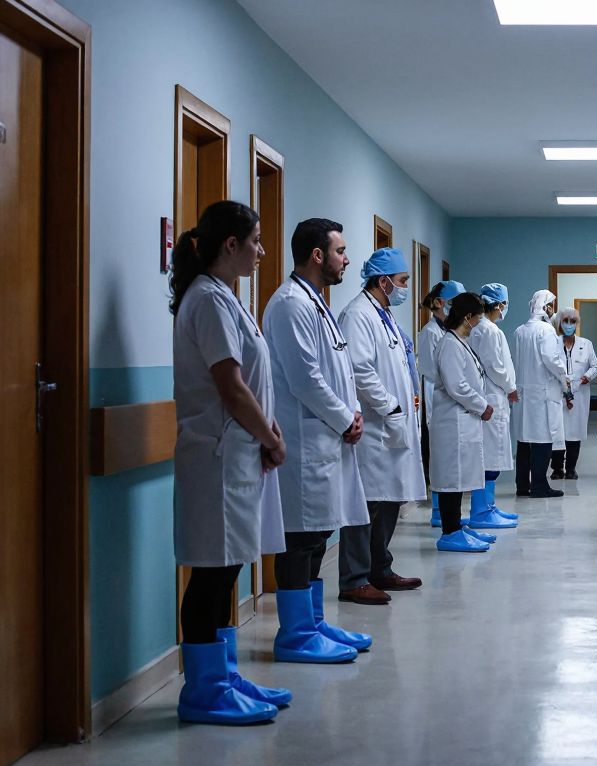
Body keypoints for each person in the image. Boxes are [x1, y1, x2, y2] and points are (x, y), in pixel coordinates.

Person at [169, 200, 287, 725]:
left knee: (228, 568)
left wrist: (265, 432)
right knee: (212, 577)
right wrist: (271, 436)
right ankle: (203, 690)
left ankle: (224, 676)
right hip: (219, 457)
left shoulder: (223, 296)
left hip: (234, 454)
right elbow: (231, 387)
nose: (263, 252)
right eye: (257, 242)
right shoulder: (209, 301)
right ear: (230, 245)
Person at [263, 217, 371, 664]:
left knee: (317, 536)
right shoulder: (290, 305)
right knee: (299, 540)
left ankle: (313, 622)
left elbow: (331, 370)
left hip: (325, 439)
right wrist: (346, 418)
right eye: (342, 251)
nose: (347, 259)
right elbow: (305, 378)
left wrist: (349, 415)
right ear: (317, 255)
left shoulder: (315, 303)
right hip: (307, 442)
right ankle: (294, 635)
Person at [335, 247, 426, 607]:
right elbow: (359, 370)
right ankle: (354, 579)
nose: (404, 288)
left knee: (389, 499)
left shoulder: (383, 315)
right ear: (384, 281)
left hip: (393, 425)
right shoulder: (358, 315)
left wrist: (405, 400)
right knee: (367, 504)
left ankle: (380, 568)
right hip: (375, 426)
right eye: (402, 281)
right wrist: (391, 405)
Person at [430, 293, 495, 552]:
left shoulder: (460, 341)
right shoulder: (449, 344)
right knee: (451, 480)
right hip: (453, 422)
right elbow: (457, 385)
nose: (480, 322)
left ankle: (456, 526)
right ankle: (450, 533)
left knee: (458, 479)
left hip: (464, 420)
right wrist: (482, 406)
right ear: (467, 317)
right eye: (478, 317)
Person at [467, 283, 519, 529]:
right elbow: (496, 366)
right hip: (493, 396)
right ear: (498, 304)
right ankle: (481, 510)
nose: (504, 309)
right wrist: (511, 387)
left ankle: (488, 506)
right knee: (489, 458)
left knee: (490, 457)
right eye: (504, 304)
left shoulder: (483, 329)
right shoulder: (488, 330)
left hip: (490, 395)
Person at [417, 280, 467, 528]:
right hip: (437, 403)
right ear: (439, 303)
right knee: (440, 460)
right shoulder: (430, 333)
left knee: (449, 462)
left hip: (450, 402)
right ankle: (438, 512)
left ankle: (448, 514)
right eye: (453, 304)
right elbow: (431, 373)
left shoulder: (448, 332)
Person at [513, 289, 569, 498]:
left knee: (524, 439)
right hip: (543, 393)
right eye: (551, 306)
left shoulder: (520, 331)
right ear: (546, 307)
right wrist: (565, 377)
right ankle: (539, 486)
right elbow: (550, 359)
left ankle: (522, 485)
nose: (553, 310)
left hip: (524, 392)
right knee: (543, 441)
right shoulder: (546, 330)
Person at [552, 307, 597, 480]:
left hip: (579, 393)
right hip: (558, 393)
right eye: (566, 321)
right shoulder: (553, 342)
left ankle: (571, 468)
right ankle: (557, 468)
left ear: (577, 324)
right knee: (558, 432)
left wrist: (587, 376)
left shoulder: (585, 344)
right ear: (559, 322)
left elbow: (595, 366)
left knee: (574, 433)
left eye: (573, 321)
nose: (569, 324)